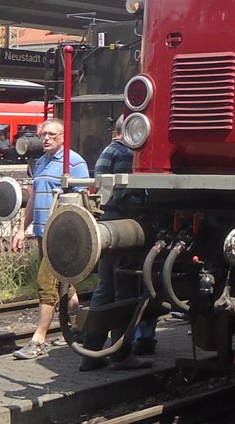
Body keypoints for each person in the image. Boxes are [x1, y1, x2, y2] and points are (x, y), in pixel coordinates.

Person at [81, 117, 155, 370]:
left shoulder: (108, 150)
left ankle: (91, 353)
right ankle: (121, 355)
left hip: (107, 227)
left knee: (104, 291)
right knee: (125, 294)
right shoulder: (125, 154)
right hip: (123, 230)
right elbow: (124, 194)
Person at [12, 118, 88, 360]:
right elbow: (34, 198)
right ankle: (81, 327)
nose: (46, 139)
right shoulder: (40, 162)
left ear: (63, 137)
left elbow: (84, 201)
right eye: (44, 134)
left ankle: (39, 339)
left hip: (60, 237)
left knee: (46, 284)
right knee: (66, 285)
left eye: (52, 135)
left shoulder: (74, 163)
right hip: (42, 233)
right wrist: (22, 229)